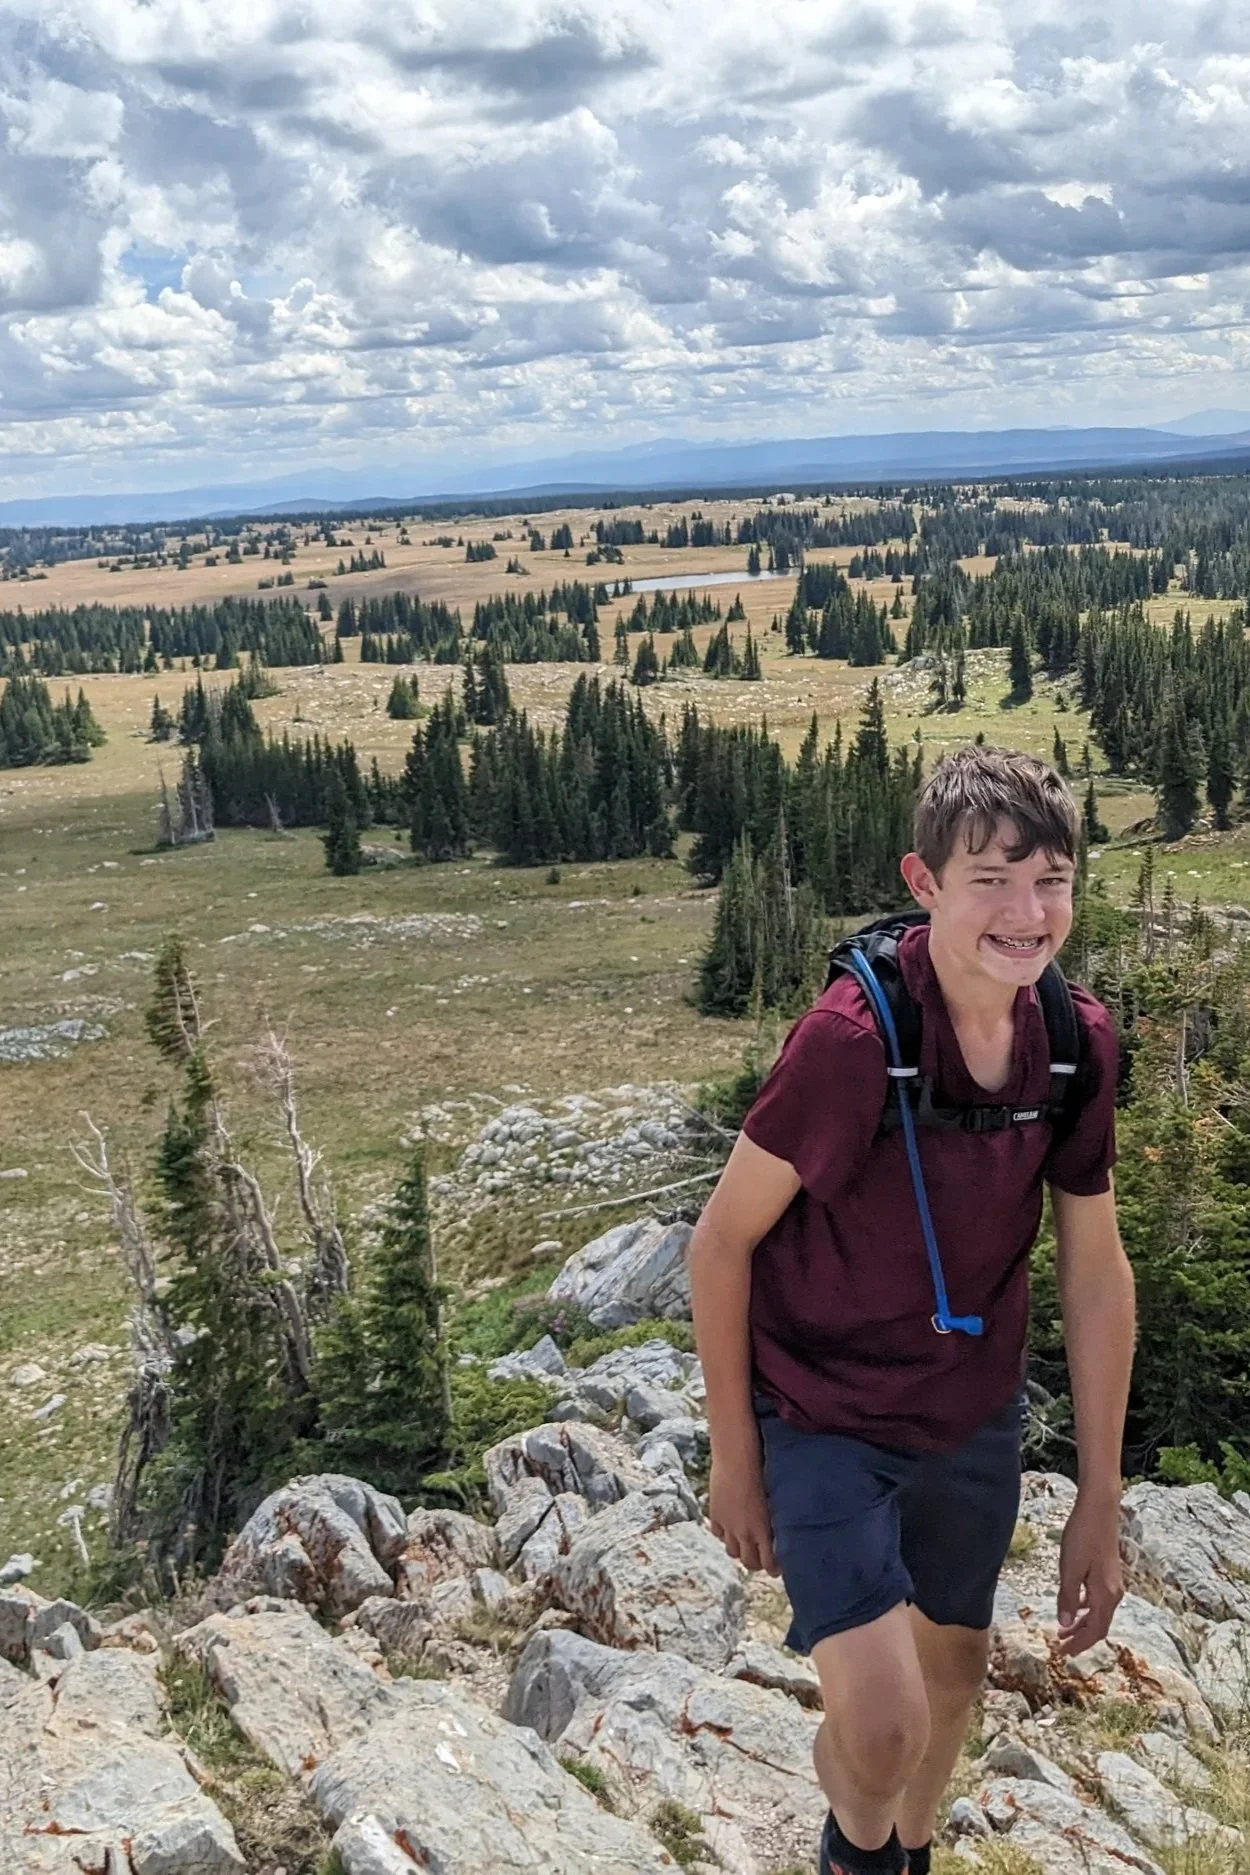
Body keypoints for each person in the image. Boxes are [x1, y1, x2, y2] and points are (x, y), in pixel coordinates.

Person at [688, 745, 1134, 1875]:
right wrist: (735, 1459)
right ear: (922, 881)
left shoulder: (1074, 1046)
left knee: (951, 1679)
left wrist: (1097, 1497)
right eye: (988, 880)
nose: (1025, 914)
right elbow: (720, 1240)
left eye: (1051, 882)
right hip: (822, 1411)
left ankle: (898, 1851)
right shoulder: (848, 1044)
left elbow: (1094, 1274)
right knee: (883, 1725)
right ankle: (860, 1854)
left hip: (965, 1416)